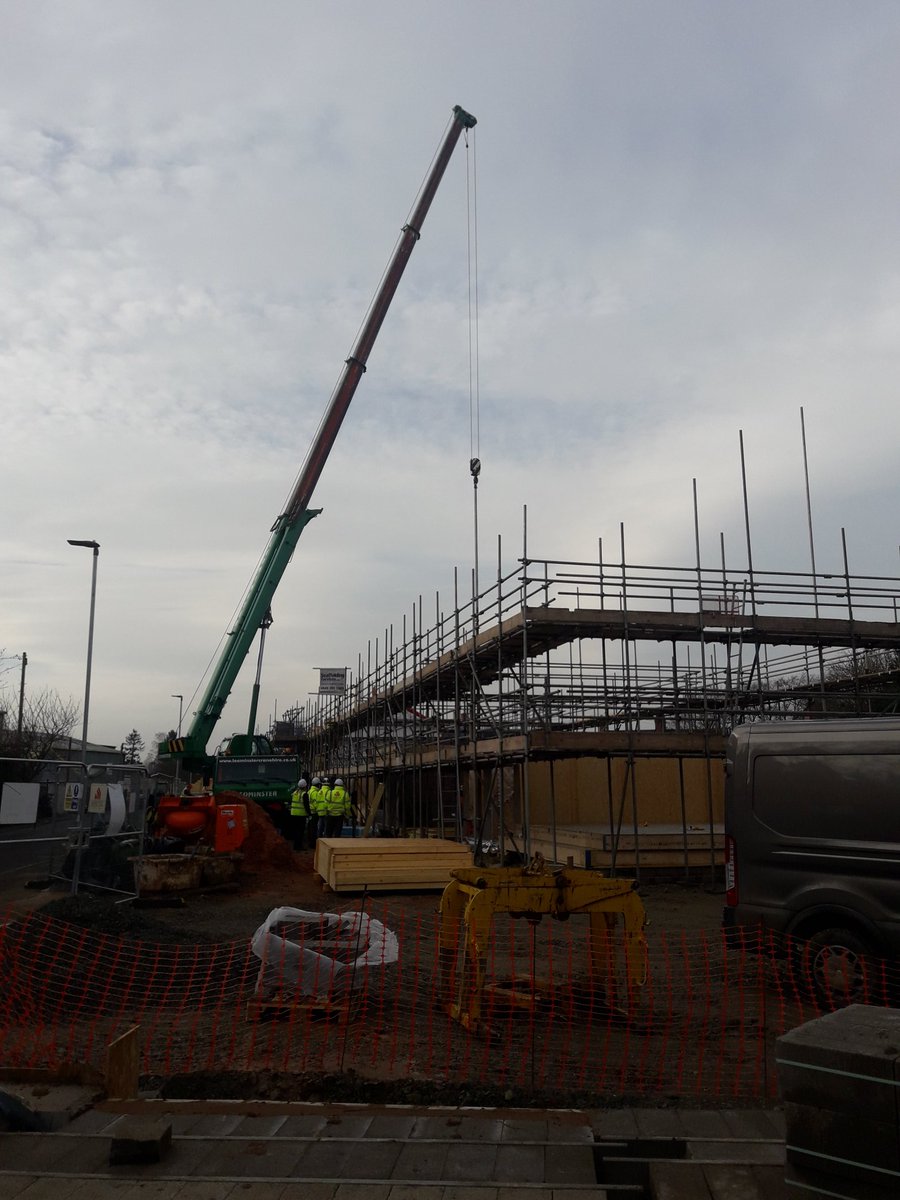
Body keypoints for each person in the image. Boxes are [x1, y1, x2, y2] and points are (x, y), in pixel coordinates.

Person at [287, 778, 310, 851]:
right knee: (300, 831)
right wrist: (309, 814)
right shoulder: (304, 794)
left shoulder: (294, 793)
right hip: (301, 815)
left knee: (296, 831)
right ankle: (299, 846)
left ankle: (295, 846)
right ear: (305, 786)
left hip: (293, 814)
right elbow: (306, 806)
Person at [308, 777, 323, 845]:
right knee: (314, 828)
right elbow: (316, 803)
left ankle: (311, 842)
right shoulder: (315, 793)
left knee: (311, 828)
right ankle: (313, 843)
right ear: (317, 785)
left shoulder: (309, 791)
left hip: (310, 812)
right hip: (314, 813)